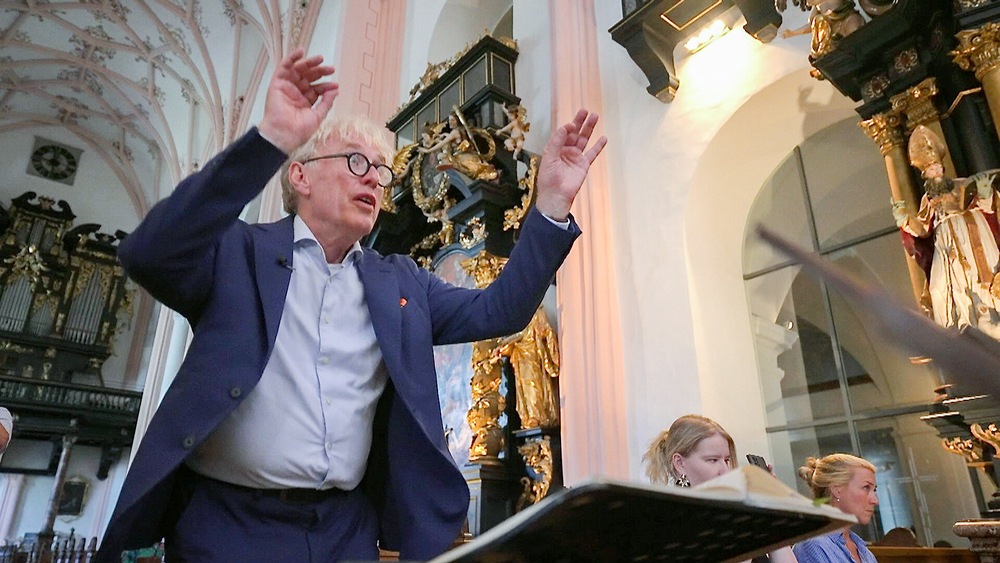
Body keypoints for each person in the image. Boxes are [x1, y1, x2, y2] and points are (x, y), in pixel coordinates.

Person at [96, 48, 606, 563]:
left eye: (381, 173)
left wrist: (551, 206)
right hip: (230, 525)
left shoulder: (400, 282)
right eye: (357, 162)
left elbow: (500, 311)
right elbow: (149, 253)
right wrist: (270, 139)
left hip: (345, 532)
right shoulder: (238, 253)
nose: (373, 180)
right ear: (300, 176)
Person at [643, 415, 798, 563]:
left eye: (726, 460)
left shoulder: (735, 513)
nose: (725, 470)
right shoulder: (671, 525)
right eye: (712, 460)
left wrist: (771, 511)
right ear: (680, 463)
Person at [894, 124, 1000, 340]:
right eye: (931, 171)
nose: (936, 174)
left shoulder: (961, 185)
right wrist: (905, 220)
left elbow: (989, 208)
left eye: (938, 169)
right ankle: (956, 326)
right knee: (939, 288)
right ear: (926, 176)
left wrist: (986, 193)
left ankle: (987, 317)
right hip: (945, 242)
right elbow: (923, 228)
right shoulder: (928, 199)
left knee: (979, 279)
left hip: (972, 233)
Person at [793, 454, 879, 563]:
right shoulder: (813, 545)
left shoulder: (863, 550)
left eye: (874, 490)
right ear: (836, 490)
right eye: (866, 487)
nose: (875, 501)